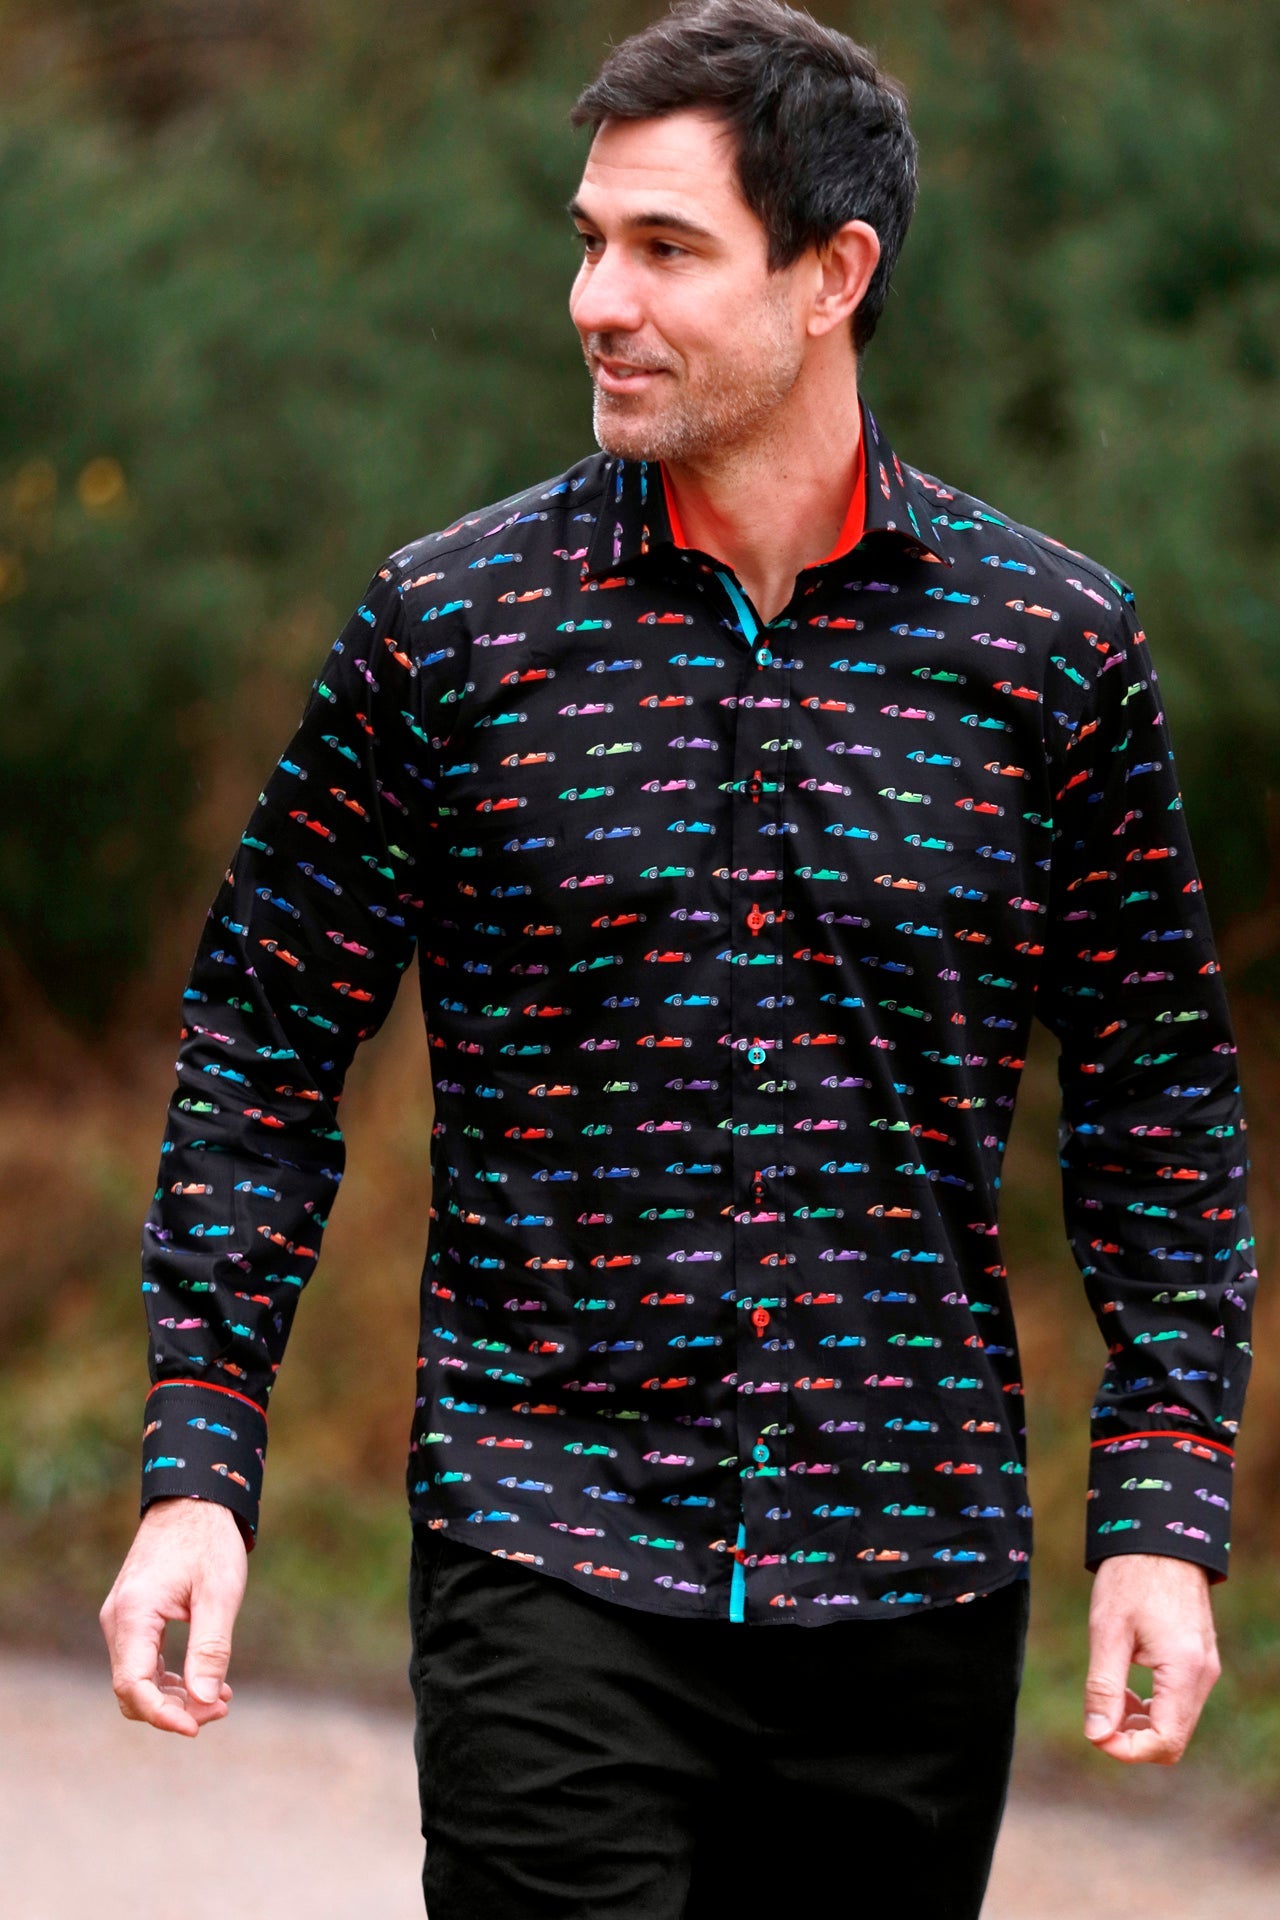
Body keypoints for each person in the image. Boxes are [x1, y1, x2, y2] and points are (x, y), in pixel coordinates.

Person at [101, 2, 1255, 1914]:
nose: (596, 302)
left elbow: (1158, 1100)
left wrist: (1162, 1504)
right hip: (547, 1550)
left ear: (833, 276)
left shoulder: (1049, 651)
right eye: (587, 241)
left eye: (664, 248)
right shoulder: (453, 630)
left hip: (911, 1581)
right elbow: (259, 1049)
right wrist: (199, 1464)